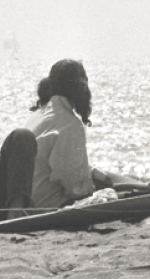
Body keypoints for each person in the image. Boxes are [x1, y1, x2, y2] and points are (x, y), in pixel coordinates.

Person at [25, 59, 99, 209]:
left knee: (102, 176)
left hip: (30, 196)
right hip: (50, 203)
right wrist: (93, 188)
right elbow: (72, 186)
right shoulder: (69, 124)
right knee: (111, 191)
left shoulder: (41, 113)